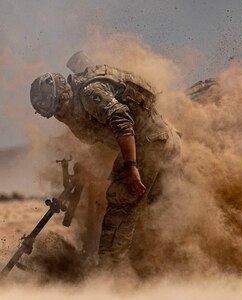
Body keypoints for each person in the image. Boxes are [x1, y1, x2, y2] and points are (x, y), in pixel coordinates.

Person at [30, 64, 181, 272]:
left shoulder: (91, 94)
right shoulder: (76, 106)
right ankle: (148, 272)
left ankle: (111, 280)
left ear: (66, 92)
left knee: (119, 208)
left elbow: (122, 123)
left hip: (151, 144)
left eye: (58, 107)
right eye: (51, 114)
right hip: (152, 143)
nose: (59, 116)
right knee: (148, 215)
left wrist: (131, 166)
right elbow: (105, 134)